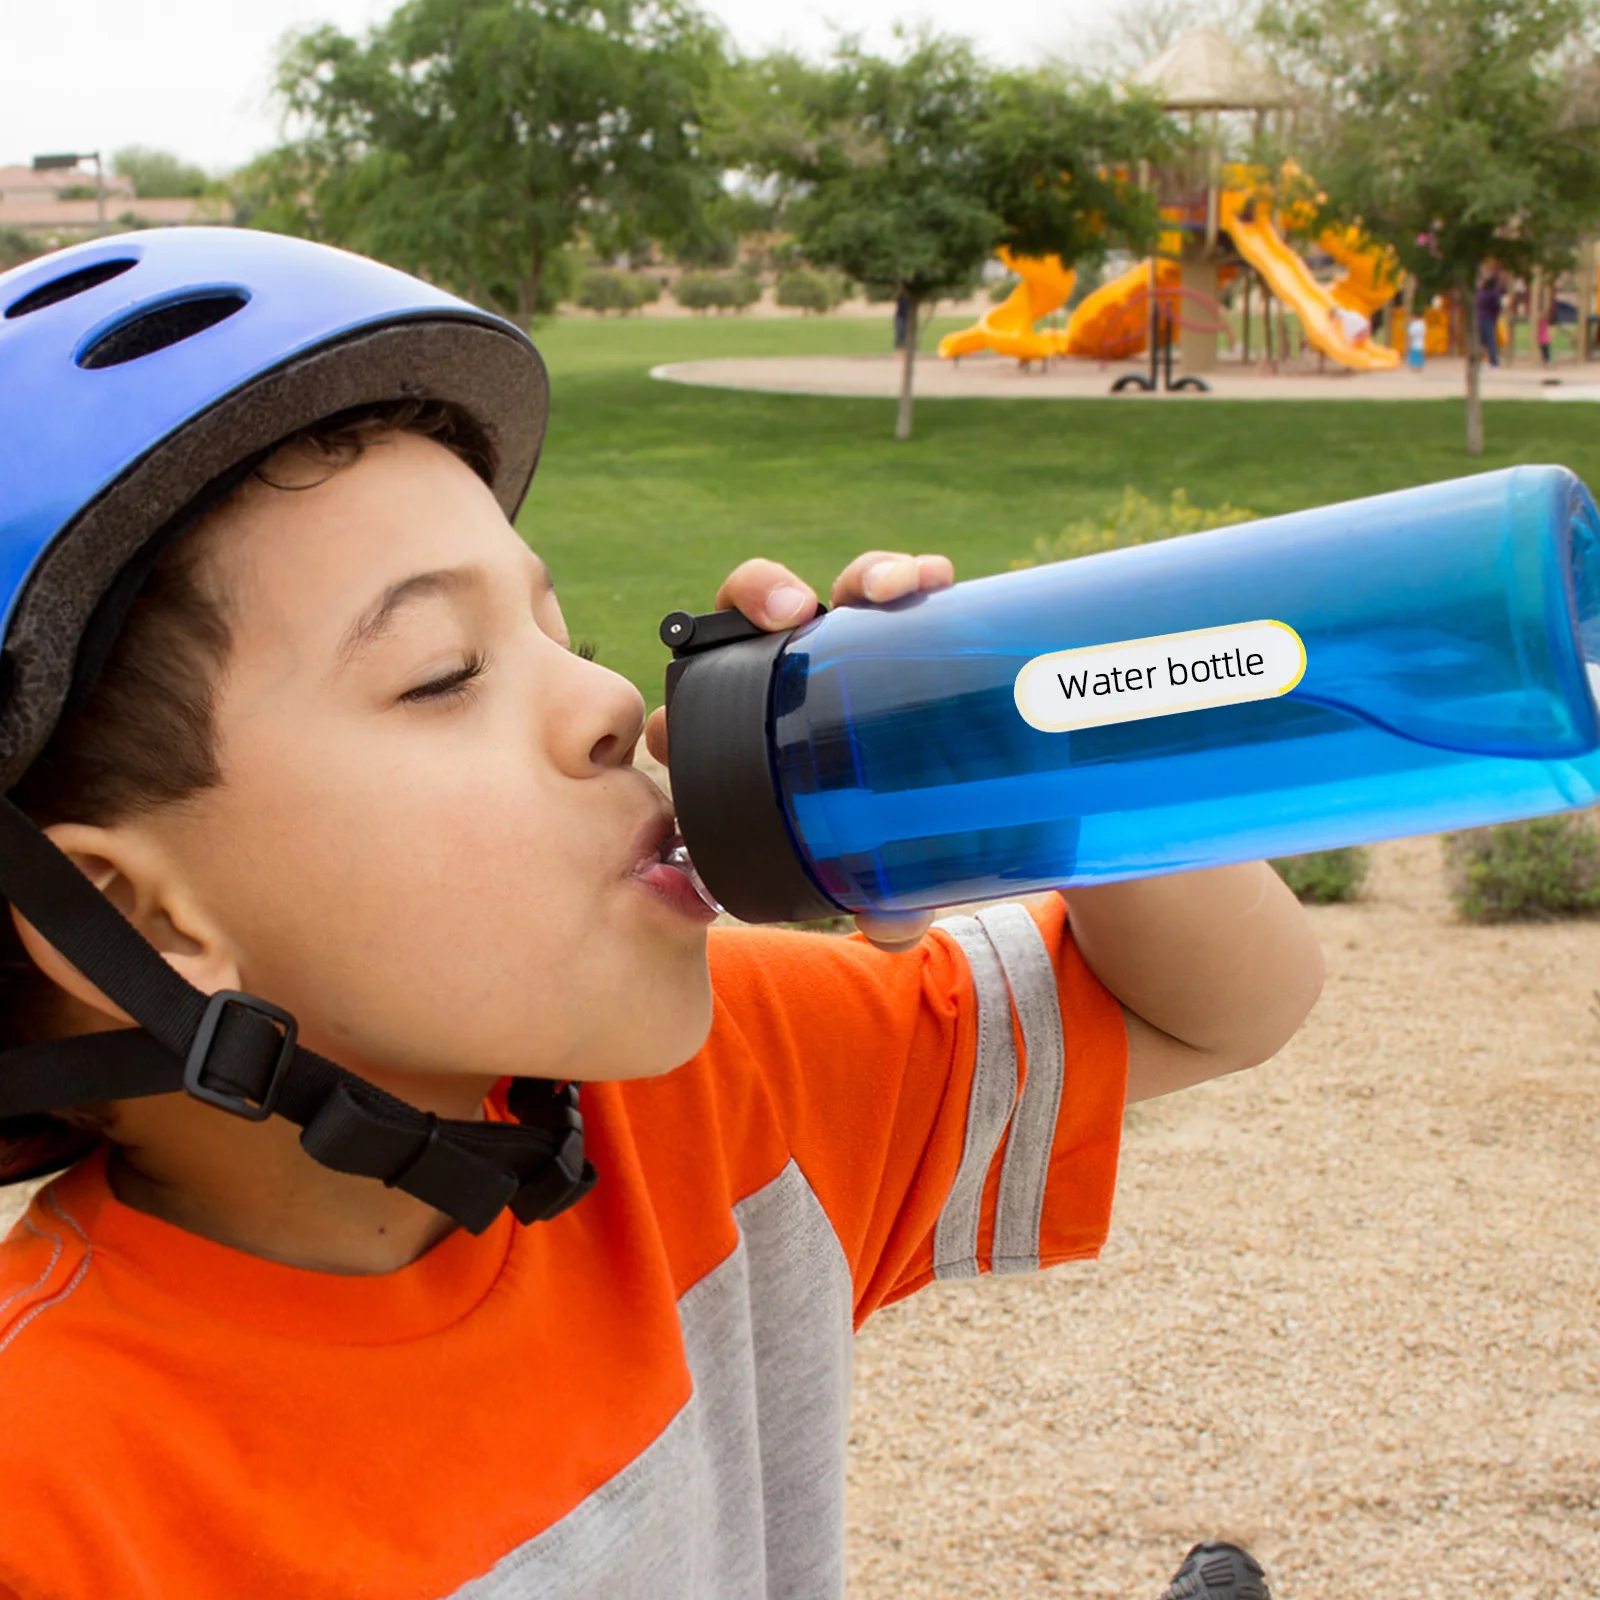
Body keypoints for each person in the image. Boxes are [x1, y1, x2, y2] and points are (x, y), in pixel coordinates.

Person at [0, 229, 1324, 1597]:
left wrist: (1020, 739)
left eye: (555, 632)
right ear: (143, 920)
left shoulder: (714, 1094)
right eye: (444, 673)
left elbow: (1219, 1007)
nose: (609, 701)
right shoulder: (49, 1494)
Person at [1476, 270, 1505, 366]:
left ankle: (1479, 359)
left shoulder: (1481, 292)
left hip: (1479, 317)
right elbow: (1497, 306)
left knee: (1481, 340)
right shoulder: (1493, 293)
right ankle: (1493, 360)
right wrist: (1497, 314)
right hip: (1488, 318)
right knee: (1490, 339)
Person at [1407, 307, 1428, 372]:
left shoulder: (1414, 324)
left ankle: (1414, 368)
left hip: (1415, 343)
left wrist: (1409, 343)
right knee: (1419, 355)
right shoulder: (1422, 323)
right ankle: (1419, 367)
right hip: (1421, 343)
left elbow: (1411, 334)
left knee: (1414, 356)